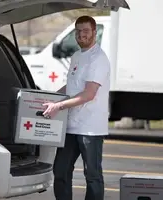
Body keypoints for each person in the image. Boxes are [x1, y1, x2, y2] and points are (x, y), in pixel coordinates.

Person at [43, 15, 110, 200]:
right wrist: (46, 98)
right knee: (61, 171)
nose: (81, 35)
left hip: (90, 128)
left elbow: (89, 94)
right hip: (71, 126)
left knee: (92, 176)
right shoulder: (77, 56)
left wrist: (59, 105)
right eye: (78, 31)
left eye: (86, 31)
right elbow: (71, 87)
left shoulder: (98, 59)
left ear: (94, 32)